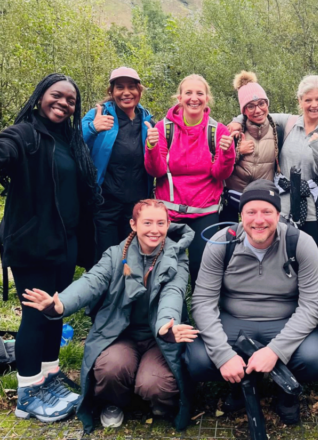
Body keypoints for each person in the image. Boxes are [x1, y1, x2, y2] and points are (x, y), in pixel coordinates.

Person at [20, 200, 198, 432]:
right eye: (147, 222)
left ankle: (155, 400)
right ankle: (114, 402)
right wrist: (60, 304)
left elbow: (173, 294)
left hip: (159, 337)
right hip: (120, 334)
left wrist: (166, 325)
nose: (154, 229)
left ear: (168, 224)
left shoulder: (177, 257)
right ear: (133, 225)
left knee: (155, 384)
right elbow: (91, 282)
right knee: (110, 369)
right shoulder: (115, 255)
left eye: (160, 223)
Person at [185, 180, 318, 425]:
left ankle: (285, 393)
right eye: (251, 212)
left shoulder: (300, 243)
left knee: (316, 359)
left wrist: (275, 351)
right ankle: (240, 383)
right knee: (197, 359)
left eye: (267, 212)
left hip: (284, 321)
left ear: (279, 214)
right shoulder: (222, 243)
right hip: (234, 321)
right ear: (241, 215)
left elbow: (312, 305)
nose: (259, 220)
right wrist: (222, 355)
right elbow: (202, 302)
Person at [0, 73, 100, 422]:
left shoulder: (69, 137)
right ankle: (28, 393)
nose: (63, 103)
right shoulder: (25, 133)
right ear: (40, 96)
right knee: (34, 317)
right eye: (56, 96)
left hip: (64, 243)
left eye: (71, 100)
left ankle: (50, 378)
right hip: (33, 244)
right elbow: (5, 150)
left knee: (55, 310)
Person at [229, 75, 318, 256]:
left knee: (307, 254)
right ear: (300, 101)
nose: (314, 105)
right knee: (279, 255)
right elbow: (255, 112)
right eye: (308, 100)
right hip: (282, 204)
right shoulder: (287, 122)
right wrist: (235, 123)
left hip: (311, 205)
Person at [145, 74, 236, 290]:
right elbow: (156, 170)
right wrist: (150, 148)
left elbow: (219, 174)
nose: (194, 98)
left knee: (202, 270)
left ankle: (202, 314)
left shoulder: (217, 131)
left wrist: (227, 153)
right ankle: (170, 318)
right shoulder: (164, 128)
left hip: (204, 211)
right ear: (179, 97)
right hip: (168, 213)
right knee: (164, 270)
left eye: (199, 93)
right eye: (188, 93)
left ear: (207, 98)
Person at [82, 67, 156, 260]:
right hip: (106, 202)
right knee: (107, 257)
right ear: (111, 92)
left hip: (136, 205)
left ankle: (128, 290)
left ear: (139, 91)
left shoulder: (147, 120)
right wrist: (92, 128)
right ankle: (105, 290)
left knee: (131, 257)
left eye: (131, 87)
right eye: (120, 87)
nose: (126, 92)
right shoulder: (98, 115)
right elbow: (74, 142)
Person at [222, 71, 278, 223]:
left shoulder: (277, 130)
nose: (258, 110)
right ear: (244, 111)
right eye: (251, 106)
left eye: (261, 103)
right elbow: (220, 167)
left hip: (262, 198)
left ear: (267, 104)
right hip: (233, 198)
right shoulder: (234, 132)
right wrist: (237, 151)